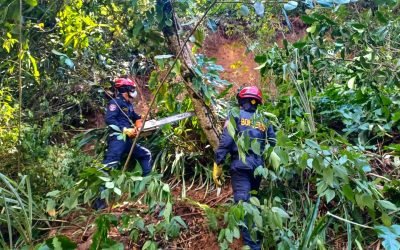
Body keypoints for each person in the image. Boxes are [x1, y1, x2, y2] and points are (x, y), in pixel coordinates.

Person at [213, 86, 276, 250]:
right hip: (258, 168)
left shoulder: (234, 115)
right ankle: (258, 236)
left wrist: (217, 163)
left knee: (244, 203)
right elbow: (273, 143)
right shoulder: (264, 119)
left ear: (241, 101)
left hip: (240, 166)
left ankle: (252, 245)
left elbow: (226, 141)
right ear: (257, 102)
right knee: (253, 202)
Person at [93, 77, 152, 209]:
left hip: (128, 140)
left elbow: (136, 117)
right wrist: (124, 130)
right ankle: (99, 203)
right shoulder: (115, 103)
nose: (133, 91)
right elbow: (110, 119)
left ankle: (149, 184)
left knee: (145, 154)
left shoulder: (128, 104)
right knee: (109, 167)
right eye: (131, 88)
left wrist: (139, 122)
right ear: (125, 90)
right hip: (118, 139)